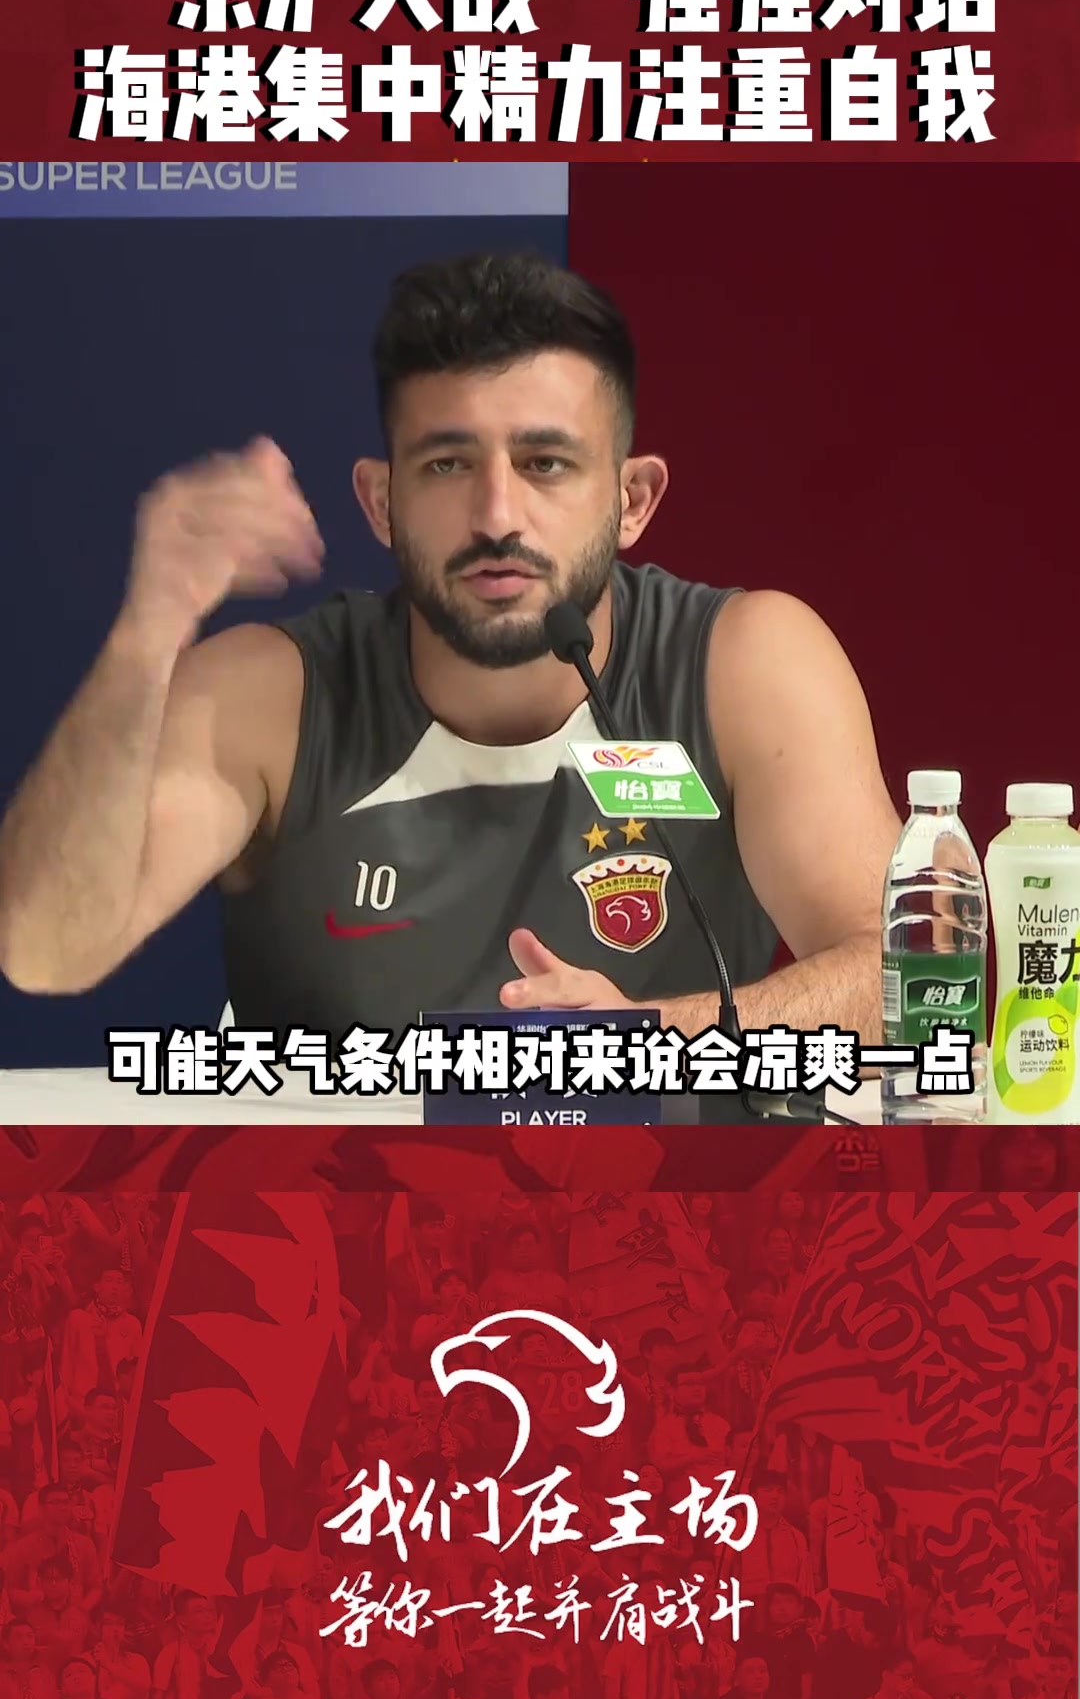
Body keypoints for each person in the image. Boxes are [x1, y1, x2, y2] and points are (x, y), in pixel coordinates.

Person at [0, 252, 901, 1125]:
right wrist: (147, 632)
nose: (497, 516)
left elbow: (913, 981)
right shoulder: (273, 696)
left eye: (545, 463)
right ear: (381, 502)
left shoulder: (744, 663)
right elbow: (44, 951)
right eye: (447, 464)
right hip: (336, 1220)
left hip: (674, 1215)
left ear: (632, 499)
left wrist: (643, 1045)